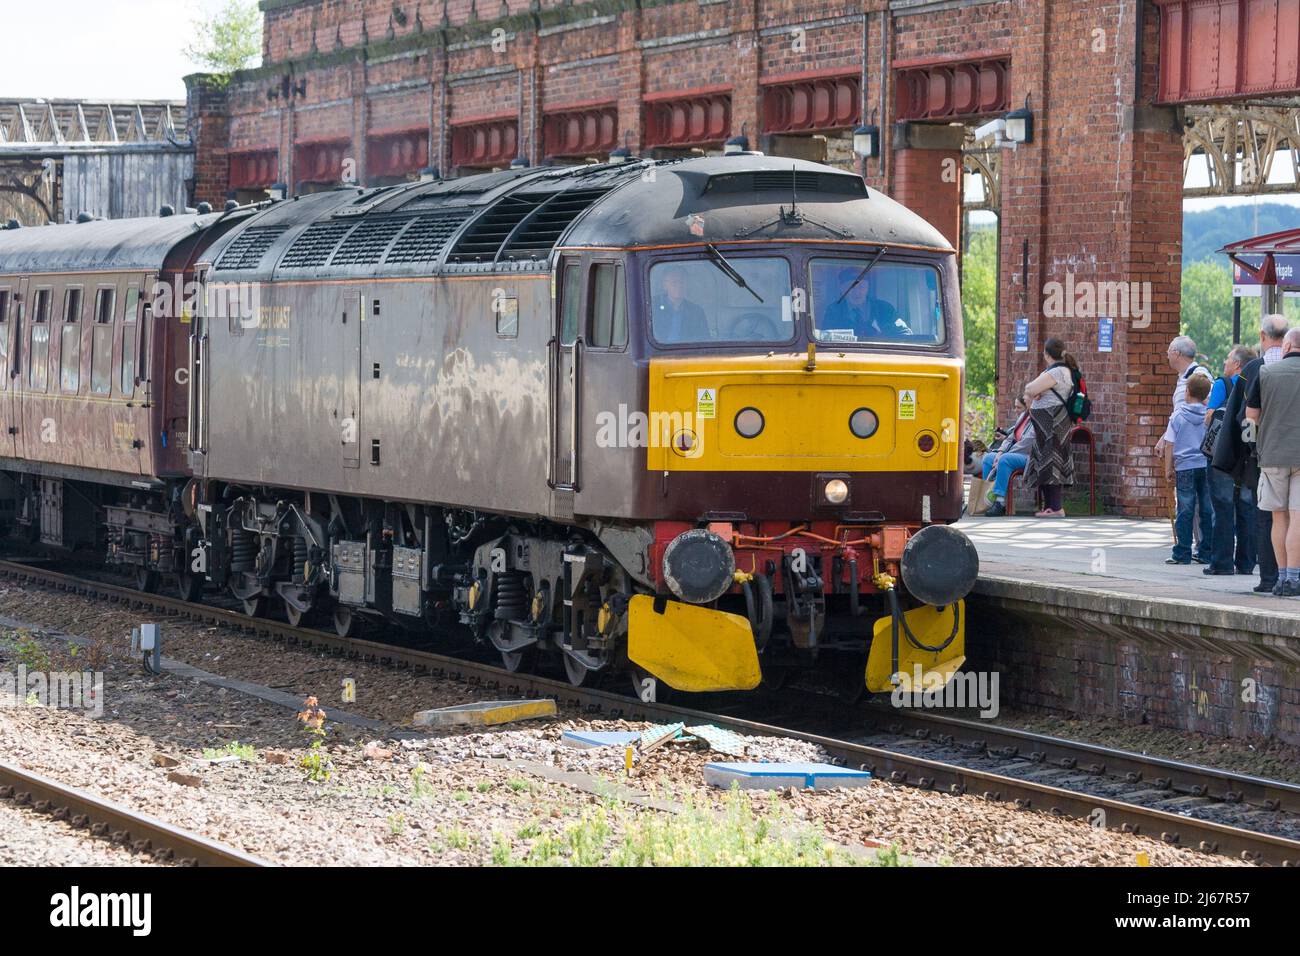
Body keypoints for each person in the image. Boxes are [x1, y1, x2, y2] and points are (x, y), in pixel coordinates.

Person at [1245, 327, 1300, 597]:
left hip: (1273, 454)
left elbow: (1250, 417)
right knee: (1298, 519)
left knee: (1279, 518)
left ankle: (1281, 579)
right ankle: (1295, 579)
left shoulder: (1266, 373)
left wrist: (1254, 444)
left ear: (1287, 346)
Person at [1204, 345, 1259, 576]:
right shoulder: (1257, 380)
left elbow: (1209, 418)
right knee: (1247, 506)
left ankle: (1222, 562)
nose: (1225, 363)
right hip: (1247, 452)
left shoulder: (1222, 384)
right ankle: (1246, 562)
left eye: (1228, 359)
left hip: (1224, 454)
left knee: (1223, 505)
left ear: (1237, 364)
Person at [1021, 338, 1077, 518]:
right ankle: (1050, 507)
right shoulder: (1060, 371)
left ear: (1046, 354)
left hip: (1052, 422)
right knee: (1046, 462)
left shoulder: (1058, 372)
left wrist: (1034, 393)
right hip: (1049, 424)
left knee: (1051, 462)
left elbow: (1030, 389)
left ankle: (1056, 508)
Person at [1166, 374, 1214, 565]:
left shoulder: (1177, 416)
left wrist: (1168, 468)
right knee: (1206, 509)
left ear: (1187, 392)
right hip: (1205, 464)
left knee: (1185, 509)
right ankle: (1206, 551)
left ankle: (1182, 552)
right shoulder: (1208, 416)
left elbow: (1170, 444)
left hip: (1185, 466)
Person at [1154, 336, 1212, 457]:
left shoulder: (1199, 374)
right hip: (1185, 450)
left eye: (1168, 351)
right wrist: (1165, 437)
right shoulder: (1183, 377)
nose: (1167, 355)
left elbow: (1209, 403)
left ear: (1176, 353)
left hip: (1196, 450)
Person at [982, 403, 1034, 517]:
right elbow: (1010, 438)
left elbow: (1027, 443)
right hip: (1011, 453)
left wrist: (1002, 456)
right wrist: (1000, 452)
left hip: (1027, 456)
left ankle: (999, 502)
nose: (1025, 397)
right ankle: (986, 499)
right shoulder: (1023, 417)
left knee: (1005, 460)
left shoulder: (1038, 419)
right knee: (988, 458)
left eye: (1027, 395)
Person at [654, 267, 710, 343]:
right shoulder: (652, 306)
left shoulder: (696, 311)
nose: (679, 286)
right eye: (674, 282)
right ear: (665, 285)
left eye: (682, 282)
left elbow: (704, 340)